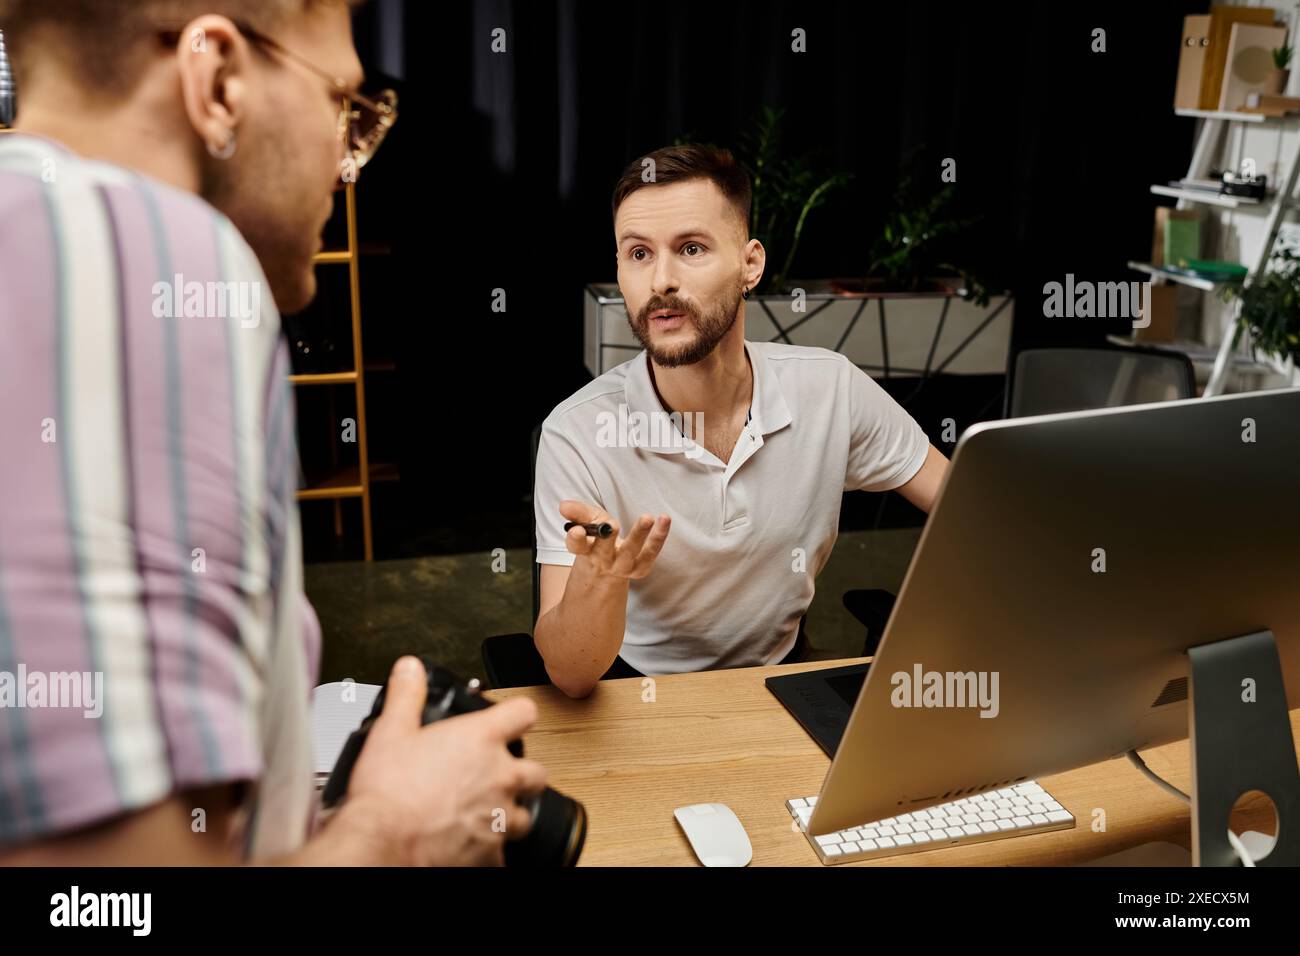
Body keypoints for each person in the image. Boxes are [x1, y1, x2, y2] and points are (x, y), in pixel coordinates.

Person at [0, 0, 544, 865]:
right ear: (216, 80)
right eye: (345, 107)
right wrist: (397, 835)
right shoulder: (149, 249)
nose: (349, 164)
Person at [533, 144, 949, 698]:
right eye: (637, 254)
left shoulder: (831, 388)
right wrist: (600, 585)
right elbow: (569, 673)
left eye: (691, 248)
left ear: (750, 264)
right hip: (639, 695)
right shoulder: (577, 431)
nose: (661, 280)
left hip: (780, 680)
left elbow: (976, 512)